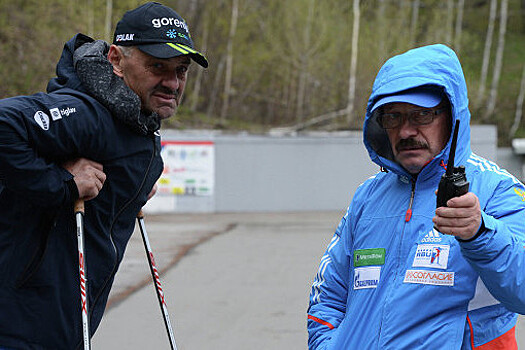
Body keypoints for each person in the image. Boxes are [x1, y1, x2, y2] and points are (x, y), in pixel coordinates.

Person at [0, 2, 207, 349]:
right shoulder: (88, 112)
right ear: (115, 59)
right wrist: (63, 184)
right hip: (20, 326)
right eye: (157, 66)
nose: (172, 83)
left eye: (181, 70)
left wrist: (132, 189)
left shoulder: (136, 121)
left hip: (61, 327)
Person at [307, 44, 525, 349]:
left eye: (421, 115)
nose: (406, 130)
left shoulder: (497, 190)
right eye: (393, 117)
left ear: (452, 116)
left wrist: (480, 234)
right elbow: (327, 297)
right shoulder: (367, 197)